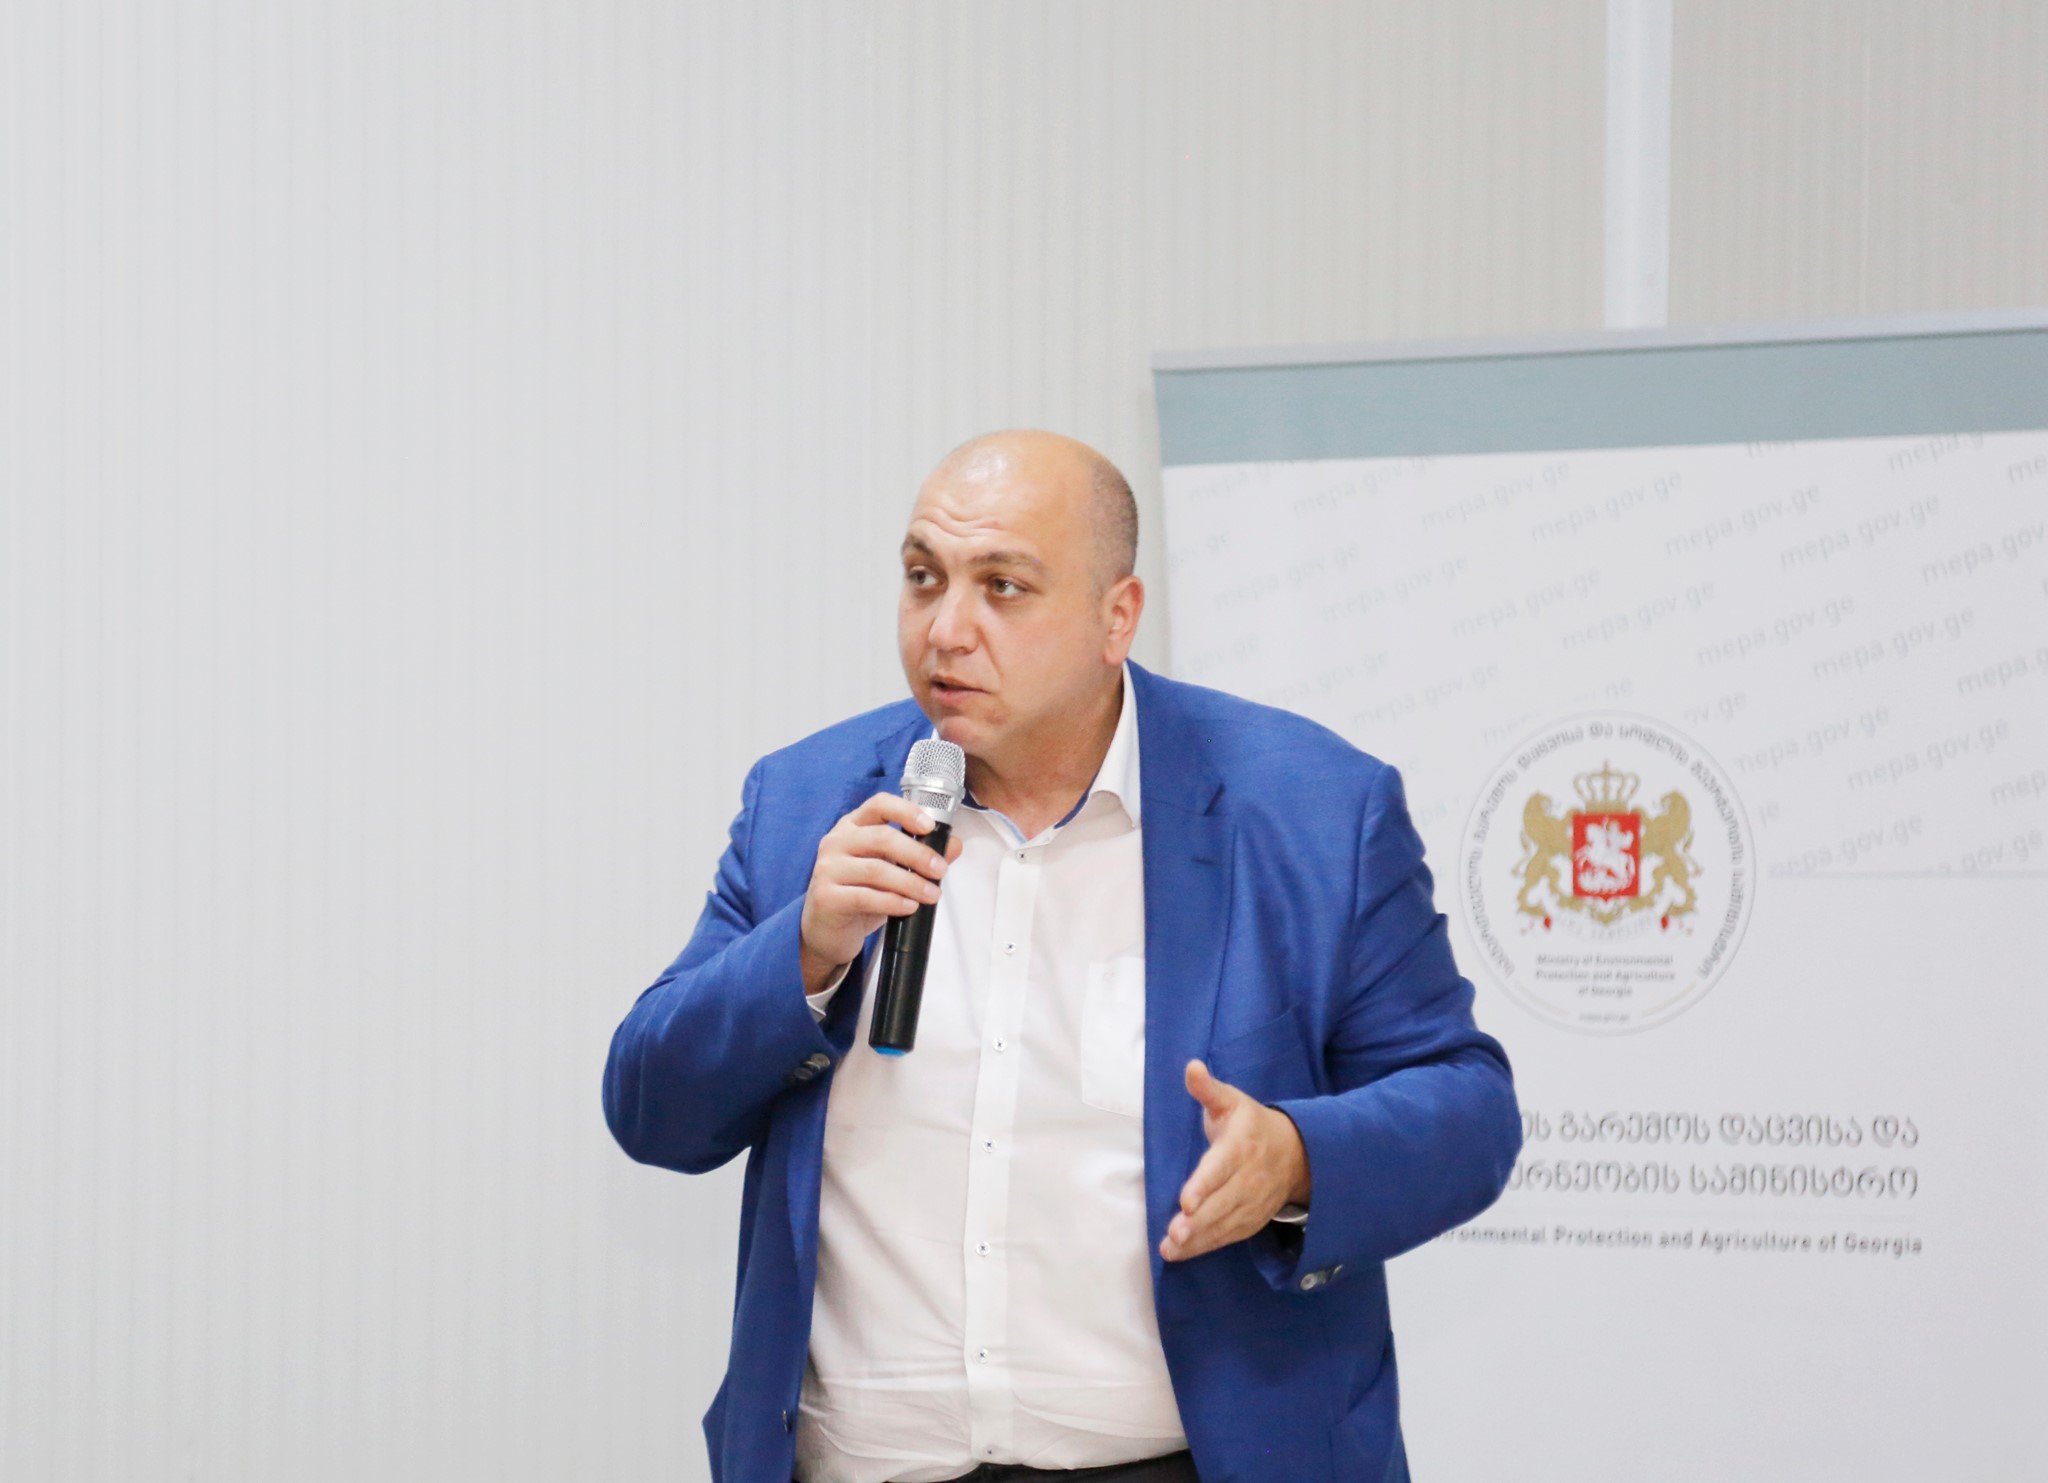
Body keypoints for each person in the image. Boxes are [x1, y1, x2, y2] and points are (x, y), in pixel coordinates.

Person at [603, 431, 1521, 1483]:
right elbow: (651, 1110)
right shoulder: (807, 801)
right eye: (923, 578)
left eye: (1002, 587)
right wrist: (804, 952)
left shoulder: (1310, 809)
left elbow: (1468, 1109)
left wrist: (1297, 1157)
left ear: (1115, 617)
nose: (946, 629)